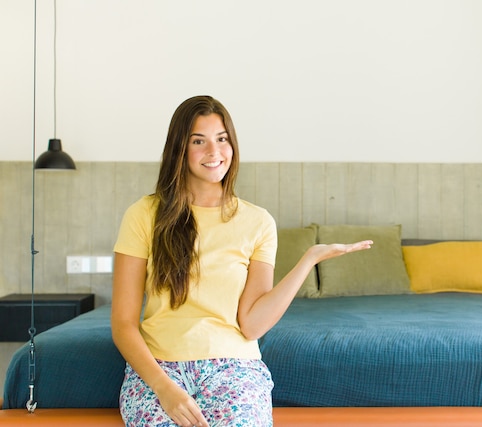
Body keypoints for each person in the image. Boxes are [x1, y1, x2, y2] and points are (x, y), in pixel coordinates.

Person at [111, 95, 372, 427]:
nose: (214, 152)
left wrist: (308, 260)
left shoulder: (257, 221)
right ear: (179, 148)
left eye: (222, 139)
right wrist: (164, 388)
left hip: (234, 367)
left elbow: (252, 324)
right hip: (160, 368)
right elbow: (122, 323)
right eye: (198, 141)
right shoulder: (144, 215)